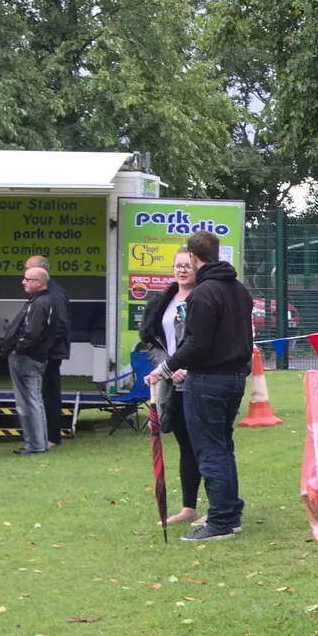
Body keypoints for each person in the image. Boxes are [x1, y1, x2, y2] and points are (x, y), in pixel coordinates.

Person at [147, 231, 254, 542]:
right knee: (223, 447)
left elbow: (196, 343)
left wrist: (164, 368)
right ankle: (229, 514)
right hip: (234, 377)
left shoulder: (204, 293)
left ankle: (221, 519)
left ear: (193, 257)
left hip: (208, 379)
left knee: (210, 451)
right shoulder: (238, 289)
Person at [137, 250, 202, 526]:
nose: (182, 271)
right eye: (178, 266)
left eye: (187, 266)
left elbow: (205, 341)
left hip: (199, 380)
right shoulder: (162, 302)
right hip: (169, 383)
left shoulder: (203, 298)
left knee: (205, 446)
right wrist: (167, 368)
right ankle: (189, 507)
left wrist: (188, 367)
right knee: (185, 445)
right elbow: (151, 341)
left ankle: (219, 507)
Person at [0, 265, 56, 457]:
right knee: (35, 400)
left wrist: (17, 349)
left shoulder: (39, 304)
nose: (23, 282)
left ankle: (35, 445)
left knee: (28, 402)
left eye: (27, 279)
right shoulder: (44, 301)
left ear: (38, 282)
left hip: (27, 357)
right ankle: (39, 443)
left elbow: (31, 332)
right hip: (36, 356)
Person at [26, 256, 71, 449]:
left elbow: (59, 324)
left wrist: (44, 347)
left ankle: (52, 436)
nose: (24, 276)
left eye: (28, 271)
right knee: (44, 392)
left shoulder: (55, 293)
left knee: (50, 393)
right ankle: (46, 434)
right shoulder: (47, 293)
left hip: (51, 353)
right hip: (48, 351)